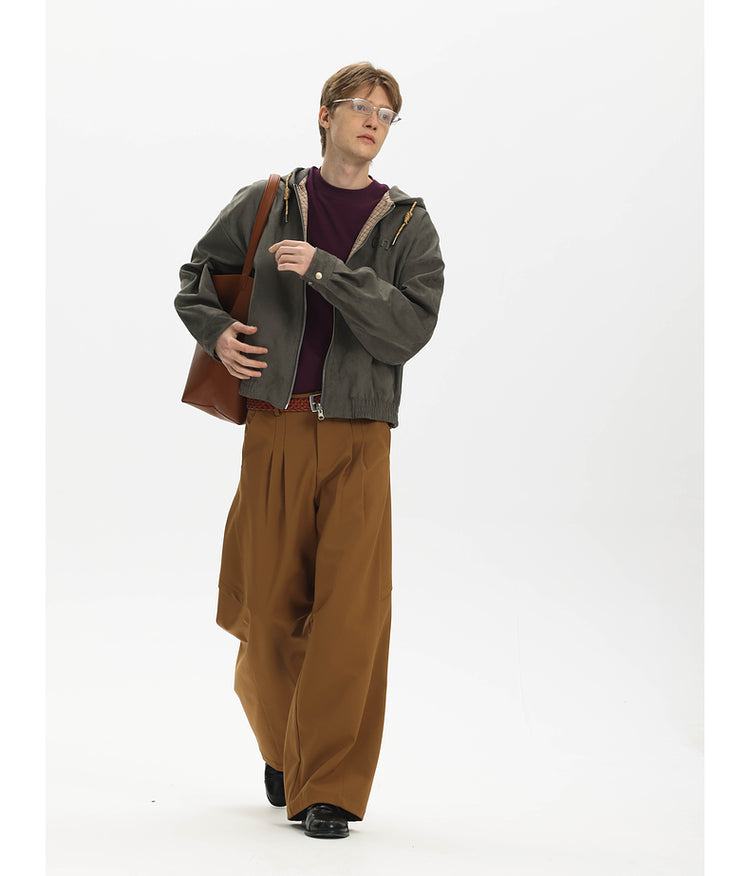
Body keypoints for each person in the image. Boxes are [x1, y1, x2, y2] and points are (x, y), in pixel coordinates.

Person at [174, 62, 445, 839]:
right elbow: (197, 278)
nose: (373, 120)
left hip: (360, 436)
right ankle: (284, 747)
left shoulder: (407, 225)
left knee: (350, 618)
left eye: (387, 113)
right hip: (277, 428)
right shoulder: (268, 201)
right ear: (325, 115)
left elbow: (409, 329)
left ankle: (328, 788)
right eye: (360, 106)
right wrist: (219, 334)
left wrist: (328, 271)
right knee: (265, 612)